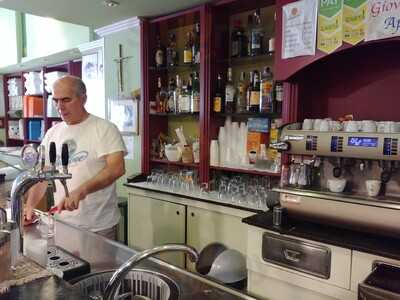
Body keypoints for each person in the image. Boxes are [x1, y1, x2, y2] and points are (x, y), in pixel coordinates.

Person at [26, 75, 126, 240]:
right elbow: (42, 175)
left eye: (66, 100)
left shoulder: (104, 128)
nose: (60, 107)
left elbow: (116, 168)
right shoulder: (52, 133)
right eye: (56, 100)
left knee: (98, 267)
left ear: (83, 98)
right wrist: (29, 206)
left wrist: (81, 191)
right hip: (63, 222)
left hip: (98, 226)